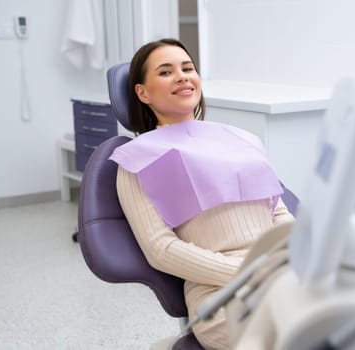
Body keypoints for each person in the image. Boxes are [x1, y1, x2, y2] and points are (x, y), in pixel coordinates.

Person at [110, 38, 294, 350]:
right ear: (142, 92)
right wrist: (249, 272)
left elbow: (278, 211)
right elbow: (161, 249)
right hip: (221, 296)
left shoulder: (240, 139)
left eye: (188, 68)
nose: (182, 76)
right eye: (166, 72)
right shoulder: (138, 159)